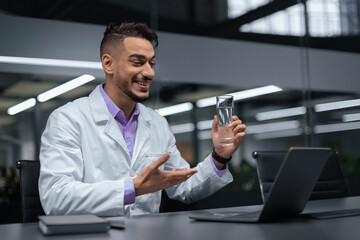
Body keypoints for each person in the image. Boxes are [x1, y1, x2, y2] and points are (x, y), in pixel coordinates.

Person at [39, 22, 246, 216]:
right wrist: (133, 188)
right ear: (108, 63)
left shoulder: (157, 123)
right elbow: (56, 198)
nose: (149, 72)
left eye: (152, 63)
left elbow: (183, 187)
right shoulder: (68, 119)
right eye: (137, 62)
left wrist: (219, 157)